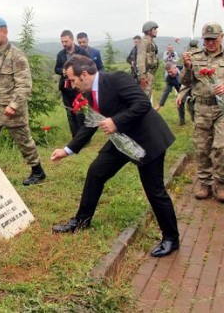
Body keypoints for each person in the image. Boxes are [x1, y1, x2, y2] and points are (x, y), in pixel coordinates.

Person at [50, 55, 179, 257]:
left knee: (154, 190)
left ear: (84, 75)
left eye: (73, 80)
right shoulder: (90, 93)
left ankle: (171, 238)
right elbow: (90, 123)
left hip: (146, 140)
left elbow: (142, 103)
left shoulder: (116, 79)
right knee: (96, 172)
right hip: (121, 141)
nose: (72, 85)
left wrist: (116, 121)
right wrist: (67, 150)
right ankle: (81, 221)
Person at [180, 22, 224, 203]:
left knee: (223, 147)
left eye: (213, 39)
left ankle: (220, 183)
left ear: (221, 38)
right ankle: (204, 183)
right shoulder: (193, 56)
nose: (209, 43)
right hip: (201, 108)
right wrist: (186, 67)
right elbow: (186, 82)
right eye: (207, 39)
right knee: (202, 148)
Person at [0, 17, 46, 186]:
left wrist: (13, 105)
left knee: (24, 142)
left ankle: (38, 171)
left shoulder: (17, 56)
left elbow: (24, 85)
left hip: (11, 110)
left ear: (5, 32)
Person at [55, 30, 89, 136]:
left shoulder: (82, 52)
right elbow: (56, 68)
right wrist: (62, 71)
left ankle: (83, 137)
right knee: (70, 113)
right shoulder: (60, 54)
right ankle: (75, 137)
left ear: (72, 39)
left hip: (79, 87)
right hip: (65, 88)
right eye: (62, 42)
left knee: (80, 112)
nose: (64, 44)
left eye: (66, 41)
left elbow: (89, 66)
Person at [155, 61, 187, 125]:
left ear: (175, 67)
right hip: (181, 93)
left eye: (171, 71)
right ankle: (182, 121)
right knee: (179, 103)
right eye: (168, 72)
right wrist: (159, 105)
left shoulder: (184, 68)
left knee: (192, 105)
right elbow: (166, 92)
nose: (170, 74)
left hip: (191, 90)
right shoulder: (169, 78)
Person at [137, 21, 160, 100]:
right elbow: (141, 58)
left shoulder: (151, 42)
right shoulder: (144, 42)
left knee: (147, 97)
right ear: (148, 30)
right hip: (146, 74)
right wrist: (143, 76)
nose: (156, 31)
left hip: (151, 73)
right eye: (154, 29)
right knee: (144, 98)